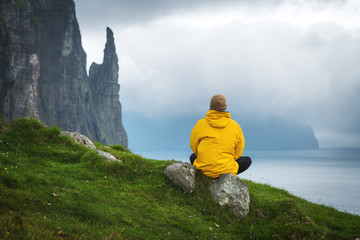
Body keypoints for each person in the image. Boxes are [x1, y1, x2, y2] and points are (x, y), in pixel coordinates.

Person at [190, 94, 252, 178]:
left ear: (210, 106)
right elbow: (239, 151)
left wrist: (203, 156)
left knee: (193, 156)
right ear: (225, 107)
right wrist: (228, 160)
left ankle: (208, 173)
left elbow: (193, 145)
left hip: (204, 170)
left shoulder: (200, 124)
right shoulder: (235, 126)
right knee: (247, 160)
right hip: (227, 170)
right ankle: (225, 175)